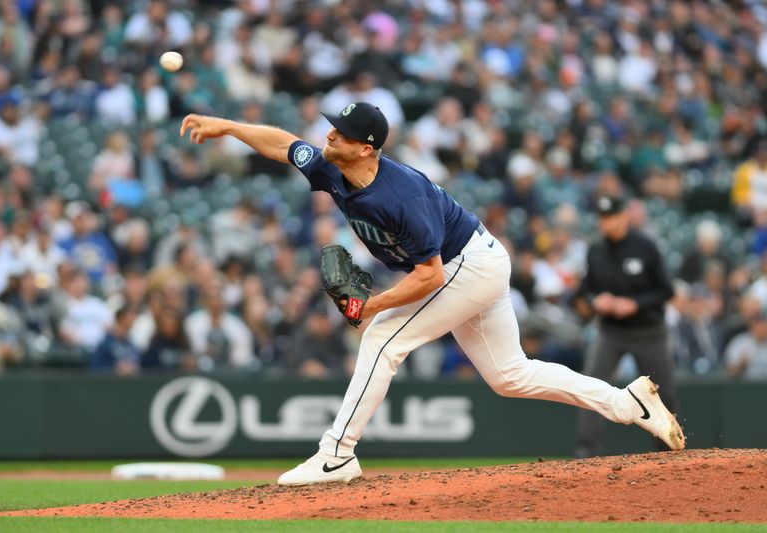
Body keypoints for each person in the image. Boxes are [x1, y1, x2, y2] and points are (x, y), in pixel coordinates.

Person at [180, 102, 685, 487]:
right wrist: (226, 126)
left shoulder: (401, 196)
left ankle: (337, 453)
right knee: (511, 375)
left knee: (382, 339)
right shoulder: (333, 165)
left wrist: (370, 305)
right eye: (334, 126)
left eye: (344, 132)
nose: (330, 133)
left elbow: (429, 276)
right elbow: (283, 144)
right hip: (475, 261)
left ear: (366, 148)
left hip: (469, 264)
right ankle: (629, 403)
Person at [574, 195, 680, 457]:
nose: (606, 223)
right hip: (611, 331)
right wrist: (595, 299)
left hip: (648, 331)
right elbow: (585, 289)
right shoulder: (596, 250)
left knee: (662, 393)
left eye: (611, 217)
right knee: (591, 385)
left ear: (624, 217)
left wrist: (635, 304)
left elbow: (666, 290)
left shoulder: (645, 246)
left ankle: (668, 451)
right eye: (602, 218)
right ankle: (586, 452)